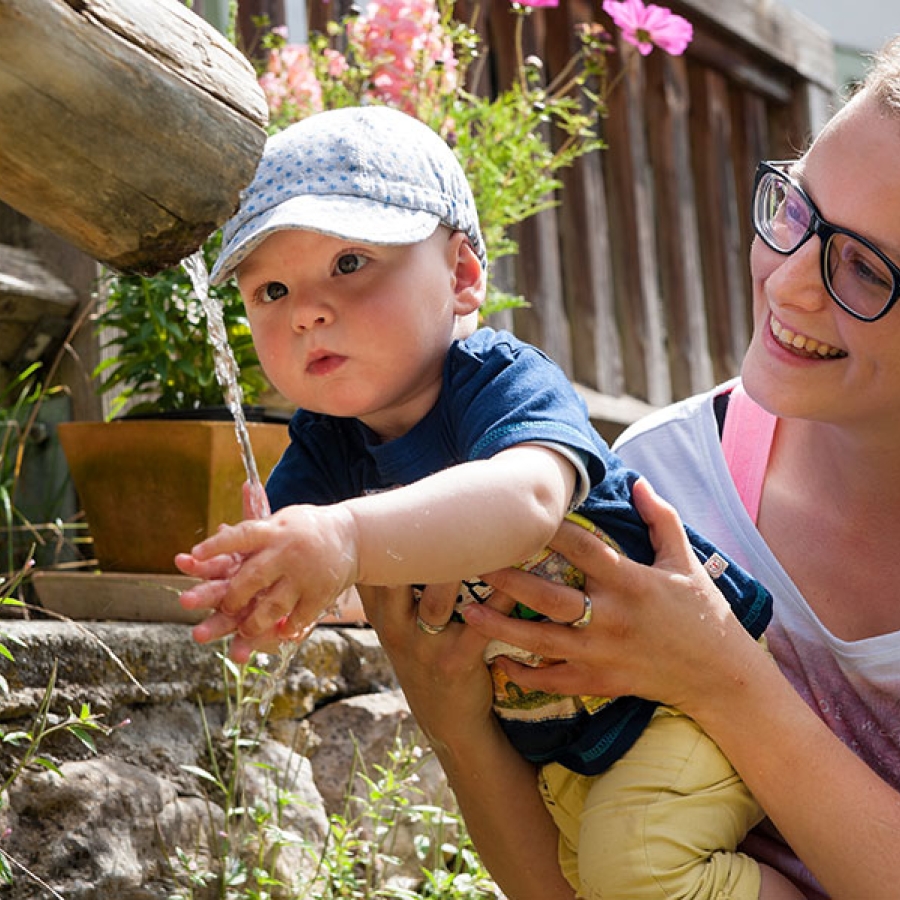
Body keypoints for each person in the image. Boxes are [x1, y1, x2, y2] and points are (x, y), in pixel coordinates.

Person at [175, 105, 797, 899]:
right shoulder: (327, 449)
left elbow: (528, 499)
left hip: (677, 696)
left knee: (637, 863)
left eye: (351, 262)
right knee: (588, 877)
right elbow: (310, 561)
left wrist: (345, 538)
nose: (307, 310)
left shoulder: (498, 380)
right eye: (271, 288)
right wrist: (263, 585)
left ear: (464, 276)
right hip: (563, 729)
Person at [368, 36, 900, 900]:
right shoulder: (661, 491)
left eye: (864, 269)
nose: (791, 283)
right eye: (800, 212)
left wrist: (720, 675)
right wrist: (456, 728)